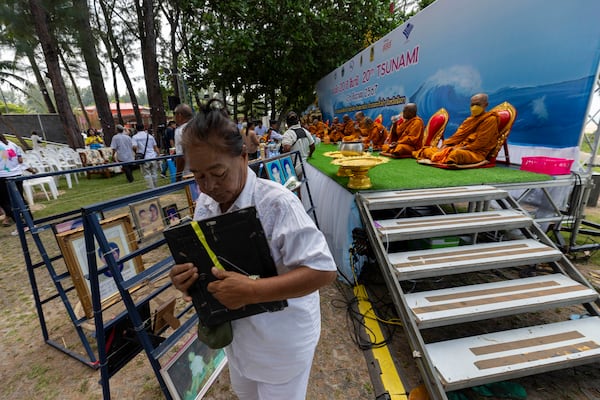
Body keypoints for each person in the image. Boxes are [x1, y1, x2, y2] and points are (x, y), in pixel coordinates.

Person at [169, 99, 337, 400]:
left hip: (282, 345)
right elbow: (210, 267)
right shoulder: (206, 204)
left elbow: (323, 271)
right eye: (197, 175)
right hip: (241, 344)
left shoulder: (278, 204)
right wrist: (188, 279)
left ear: (244, 156)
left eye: (218, 173)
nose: (207, 186)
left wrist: (253, 291)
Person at [415, 93, 499, 165]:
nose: (474, 107)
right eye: (472, 105)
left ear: (486, 105)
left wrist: (459, 149)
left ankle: (442, 158)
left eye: (477, 104)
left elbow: (480, 144)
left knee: (455, 154)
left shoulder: (490, 119)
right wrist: (445, 146)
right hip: (458, 147)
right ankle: (441, 157)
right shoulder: (469, 120)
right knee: (427, 150)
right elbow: (456, 137)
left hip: (475, 152)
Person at [0, 132, 27, 227]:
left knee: (4, 201)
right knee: (20, 198)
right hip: (16, 174)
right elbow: (19, 160)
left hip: (3, 177)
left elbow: (5, 159)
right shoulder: (11, 144)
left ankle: (21, 224)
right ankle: (29, 222)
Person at [281, 111, 315, 176]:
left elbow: (287, 148)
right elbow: (313, 146)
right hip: (308, 166)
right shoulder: (305, 131)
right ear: (298, 121)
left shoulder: (288, 133)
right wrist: (309, 155)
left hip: (296, 168)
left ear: (287, 123)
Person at [132, 123, 160, 188]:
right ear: (144, 128)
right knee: (154, 172)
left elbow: (134, 147)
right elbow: (155, 147)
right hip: (153, 156)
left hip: (143, 157)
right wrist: (158, 155)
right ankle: (156, 186)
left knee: (147, 174)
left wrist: (137, 152)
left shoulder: (135, 137)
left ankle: (151, 187)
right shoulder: (150, 136)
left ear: (136, 129)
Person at [174, 104, 194, 181]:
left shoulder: (180, 131)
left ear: (180, 115)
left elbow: (181, 156)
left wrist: (178, 175)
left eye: (174, 114)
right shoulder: (201, 127)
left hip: (190, 172)